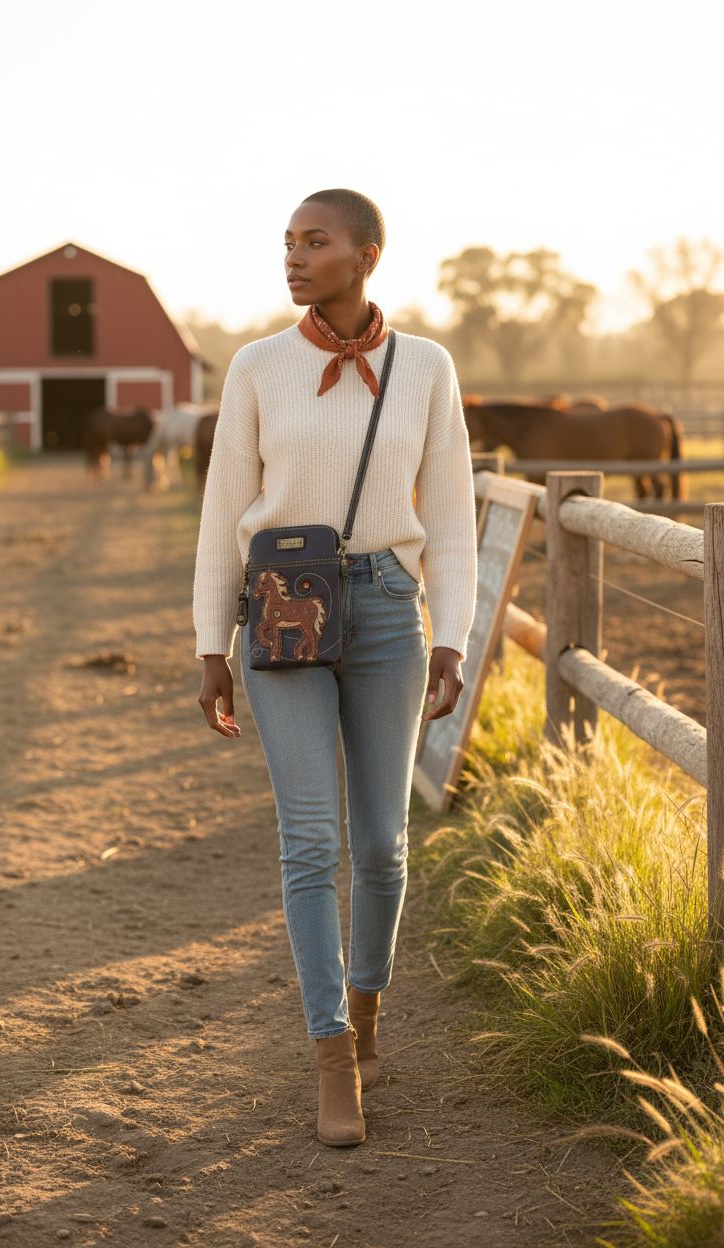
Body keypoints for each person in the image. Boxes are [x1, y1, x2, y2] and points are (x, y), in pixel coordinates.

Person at [192, 188, 477, 1147]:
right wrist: (208, 644)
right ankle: (330, 1058)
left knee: (384, 849)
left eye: (316, 241)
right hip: (282, 615)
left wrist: (453, 635)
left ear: (368, 253)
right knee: (311, 841)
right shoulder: (258, 367)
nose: (295, 256)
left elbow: (448, 512)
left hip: (392, 613)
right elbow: (224, 503)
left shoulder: (427, 368)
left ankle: (366, 1013)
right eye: (287, 242)